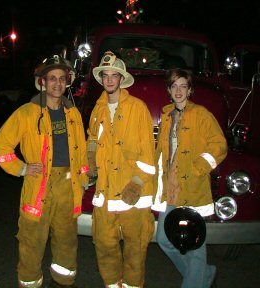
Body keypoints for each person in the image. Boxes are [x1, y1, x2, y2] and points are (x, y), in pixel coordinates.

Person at [0, 55, 89, 288]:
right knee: (32, 241)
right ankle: (29, 283)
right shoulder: (27, 112)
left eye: (62, 79)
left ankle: (65, 281)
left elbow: (82, 151)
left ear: (68, 82)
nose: (57, 83)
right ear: (43, 82)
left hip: (67, 185)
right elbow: (2, 144)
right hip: (39, 186)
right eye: (52, 78)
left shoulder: (73, 114)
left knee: (67, 240)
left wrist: (83, 177)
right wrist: (22, 168)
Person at [152, 68, 227, 288]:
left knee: (195, 246)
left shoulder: (202, 114)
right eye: (174, 86)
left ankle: (195, 282)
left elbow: (219, 145)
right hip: (171, 188)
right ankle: (202, 276)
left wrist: (198, 168)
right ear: (169, 90)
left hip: (193, 187)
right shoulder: (167, 116)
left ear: (190, 89)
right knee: (165, 239)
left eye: (183, 86)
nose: (178, 90)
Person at [87, 51, 156, 288]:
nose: (109, 80)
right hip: (105, 193)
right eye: (105, 75)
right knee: (104, 246)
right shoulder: (98, 110)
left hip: (132, 194)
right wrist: (90, 160)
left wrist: (137, 183)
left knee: (135, 250)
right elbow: (93, 139)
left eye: (113, 75)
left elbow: (148, 151)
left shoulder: (138, 108)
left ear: (121, 79)